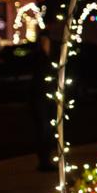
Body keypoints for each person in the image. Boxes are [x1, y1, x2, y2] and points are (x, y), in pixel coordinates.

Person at [31, 35, 57, 171]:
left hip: (43, 101)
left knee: (45, 131)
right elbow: (42, 81)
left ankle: (45, 160)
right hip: (42, 101)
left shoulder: (42, 58)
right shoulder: (41, 59)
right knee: (44, 131)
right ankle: (44, 161)